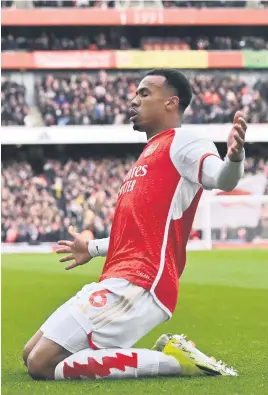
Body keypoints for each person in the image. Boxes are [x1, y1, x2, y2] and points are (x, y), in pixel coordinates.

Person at [24, 69, 247, 381]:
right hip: (117, 275)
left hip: (141, 281)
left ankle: (173, 360)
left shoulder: (184, 140)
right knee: (30, 353)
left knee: (42, 364)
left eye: (144, 94)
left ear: (171, 102)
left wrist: (234, 159)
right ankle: (129, 357)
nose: (133, 100)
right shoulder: (148, 153)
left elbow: (220, 178)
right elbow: (133, 232)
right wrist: (91, 248)